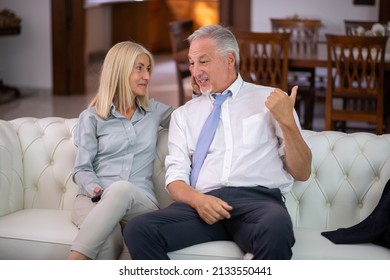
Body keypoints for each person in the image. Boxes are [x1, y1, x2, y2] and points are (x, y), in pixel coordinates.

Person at [123, 25, 312, 260]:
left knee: (276, 226)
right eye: (192, 63)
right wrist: (199, 200)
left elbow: (302, 172)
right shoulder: (185, 115)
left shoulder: (271, 100)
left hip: (258, 204)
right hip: (202, 205)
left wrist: (288, 123)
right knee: (138, 229)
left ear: (229, 59)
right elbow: (175, 178)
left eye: (203, 61)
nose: (195, 71)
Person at [67, 41, 175, 260]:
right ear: (119, 70)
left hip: (139, 200)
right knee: (106, 240)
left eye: (148, 69)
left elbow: (190, 119)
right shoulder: (91, 117)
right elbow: (81, 169)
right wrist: (96, 189)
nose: (146, 76)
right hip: (92, 199)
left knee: (121, 189)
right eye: (139, 68)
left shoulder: (154, 111)